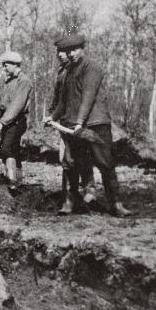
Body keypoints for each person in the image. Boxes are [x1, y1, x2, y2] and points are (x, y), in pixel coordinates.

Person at [47, 33, 132, 217]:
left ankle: (116, 204)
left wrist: (79, 122)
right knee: (71, 164)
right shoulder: (68, 71)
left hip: (95, 124)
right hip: (73, 126)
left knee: (105, 163)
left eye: (74, 50)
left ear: (82, 49)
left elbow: (88, 96)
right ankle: (70, 202)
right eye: (68, 51)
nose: (71, 54)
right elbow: (64, 101)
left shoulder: (92, 67)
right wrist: (52, 117)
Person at [50, 37, 96, 213]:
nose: (61, 55)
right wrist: (52, 115)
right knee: (67, 160)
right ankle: (69, 198)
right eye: (59, 52)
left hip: (79, 122)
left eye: (64, 52)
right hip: (65, 121)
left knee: (81, 157)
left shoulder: (80, 70)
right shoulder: (63, 72)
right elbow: (59, 99)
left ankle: (87, 190)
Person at [0, 50, 32, 193]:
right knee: (12, 149)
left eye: (6, 65)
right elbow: (2, 104)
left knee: (7, 149)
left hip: (16, 120)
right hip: (6, 119)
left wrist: (2, 123)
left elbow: (17, 105)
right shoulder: (8, 81)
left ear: (15, 65)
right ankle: (18, 180)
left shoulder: (23, 81)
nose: (4, 68)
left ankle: (12, 181)